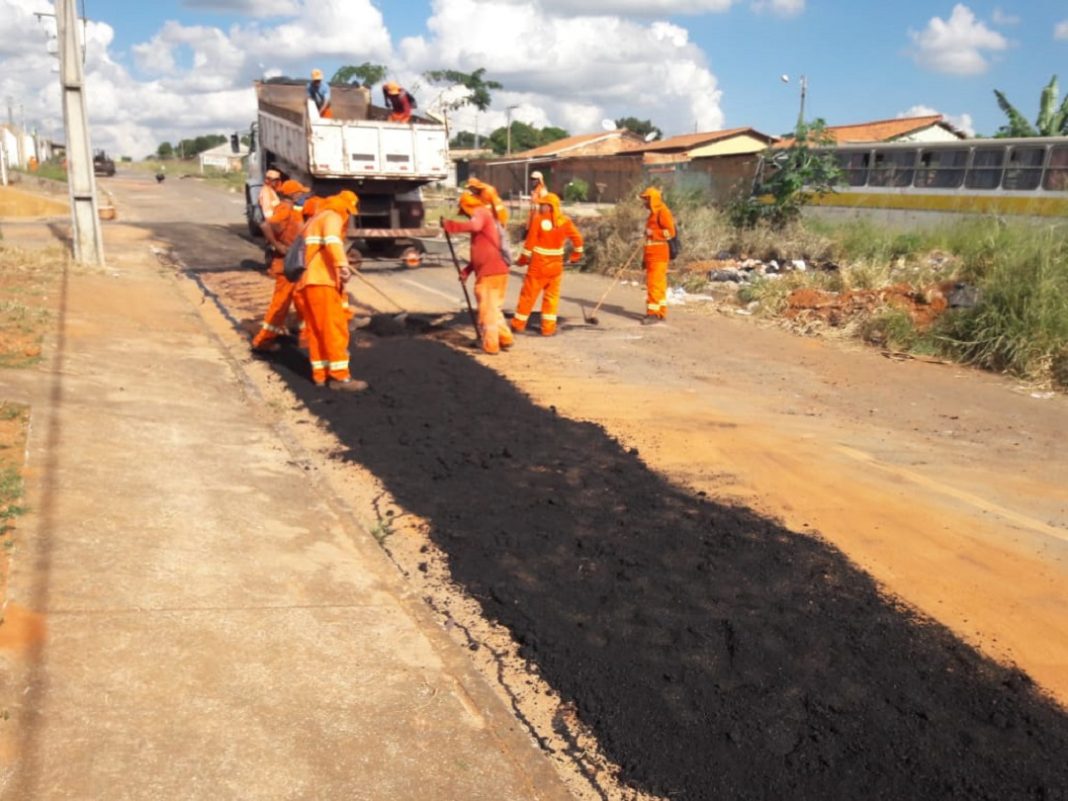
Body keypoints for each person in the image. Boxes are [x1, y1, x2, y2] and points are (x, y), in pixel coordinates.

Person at [294, 190, 367, 390]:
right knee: (335, 329)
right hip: (322, 282)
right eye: (349, 212)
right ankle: (340, 378)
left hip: (307, 282)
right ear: (345, 208)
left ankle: (320, 375)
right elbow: (333, 241)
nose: (348, 217)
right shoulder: (333, 216)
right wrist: (342, 266)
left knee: (317, 331)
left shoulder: (315, 219)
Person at [442, 192, 515, 355]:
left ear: (467, 206)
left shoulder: (481, 212)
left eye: (464, 212)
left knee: (487, 311)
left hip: (490, 272)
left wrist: (451, 226)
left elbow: (474, 226)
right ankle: (505, 338)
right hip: (496, 270)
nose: (467, 216)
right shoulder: (487, 219)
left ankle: (491, 346)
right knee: (494, 308)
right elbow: (481, 253)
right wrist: (467, 271)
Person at [511, 192, 583, 337]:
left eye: (542, 205)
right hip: (556, 267)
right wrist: (575, 257)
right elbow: (578, 239)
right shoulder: (565, 221)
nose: (540, 207)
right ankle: (548, 329)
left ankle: (518, 325)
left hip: (538, 265)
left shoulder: (538, 219)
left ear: (550, 206)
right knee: (551, 298)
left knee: (528, 296)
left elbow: (529, 244)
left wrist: (521, 261)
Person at [251, 180, 310, 353]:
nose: (302, 195)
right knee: (280, 305)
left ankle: (307, 337)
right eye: (300, 192)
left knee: (302, 300)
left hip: (294, 263)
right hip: (286, 265)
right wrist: (277, 245)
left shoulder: (292, 209)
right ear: (293, 195)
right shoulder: (284, 209)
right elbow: (265, 224)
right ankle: (262, 341)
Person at [639, 186, 676, 324]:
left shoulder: (663, 211)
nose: (644, 203)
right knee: (658, 285)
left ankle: (653, 314)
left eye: (646, 199)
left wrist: (653, 233)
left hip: (659, 254)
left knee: (654, 285)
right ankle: (660, 312)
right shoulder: (653, 214)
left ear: (653, 200)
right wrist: (644, 258)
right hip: (651, 254)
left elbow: (670, 232)